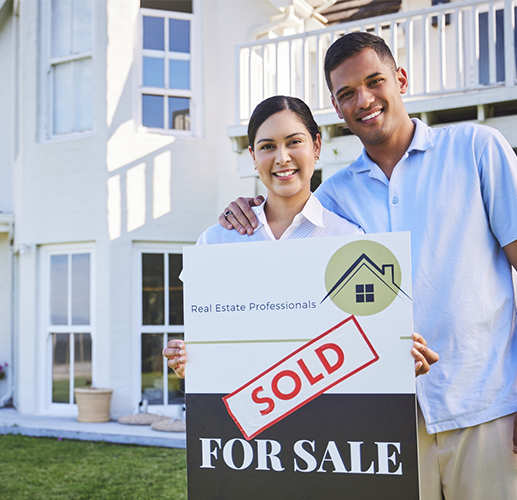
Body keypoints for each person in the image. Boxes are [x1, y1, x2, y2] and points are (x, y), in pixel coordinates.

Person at [219, 33, 517, 499]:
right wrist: (247, 210)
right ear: (337, 107)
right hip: (388, 423)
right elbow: (295, 296)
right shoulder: (333, 198)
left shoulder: (477, 148)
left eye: (374, 81)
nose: (363, 100)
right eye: (346, 93)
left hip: (489, 408)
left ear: (399, 79)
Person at [163, 94, 439, 380]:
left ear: (316, 146)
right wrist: (187, 362)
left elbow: (365, 347)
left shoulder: (349, 240)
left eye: (294, 142)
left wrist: (399, 355)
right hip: (245, 415)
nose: (282, 158)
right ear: (253, 157)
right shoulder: (216, 242)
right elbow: (210, 346)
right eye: (268, 146)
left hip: (327, 418)